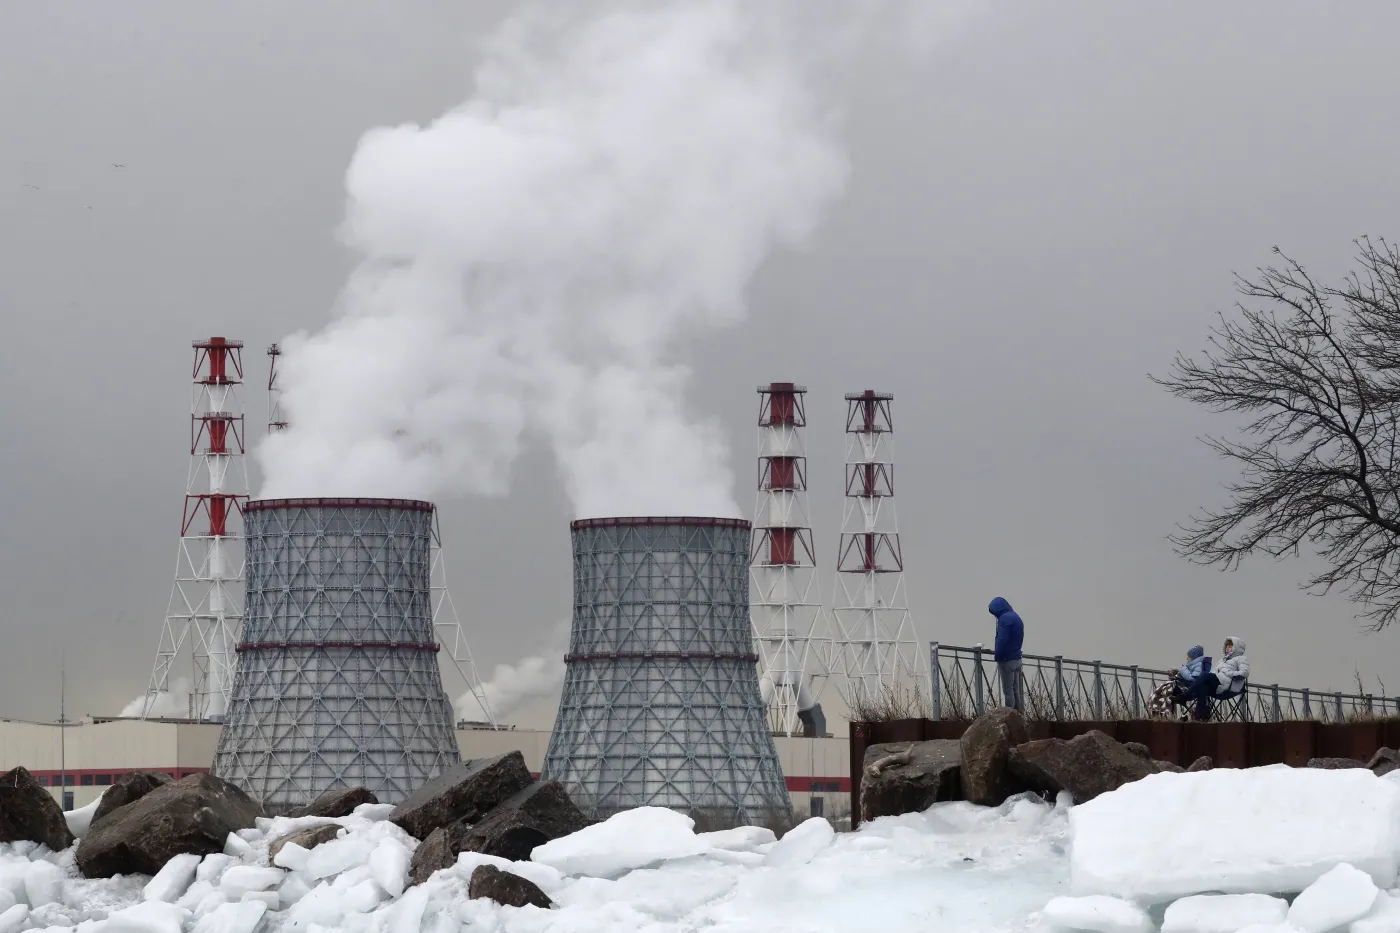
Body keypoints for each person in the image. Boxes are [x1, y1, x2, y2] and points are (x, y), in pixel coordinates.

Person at [989, 597, 1024, 710]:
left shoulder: (1004, 620)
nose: (994, 616)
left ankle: (1010, 716)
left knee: (1008, 690)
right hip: (1017, 658)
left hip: (1007, 659)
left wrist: (998, 656)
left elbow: (1002, 640)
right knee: (1016, 690)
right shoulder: (1016, 617)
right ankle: (1019, 715)